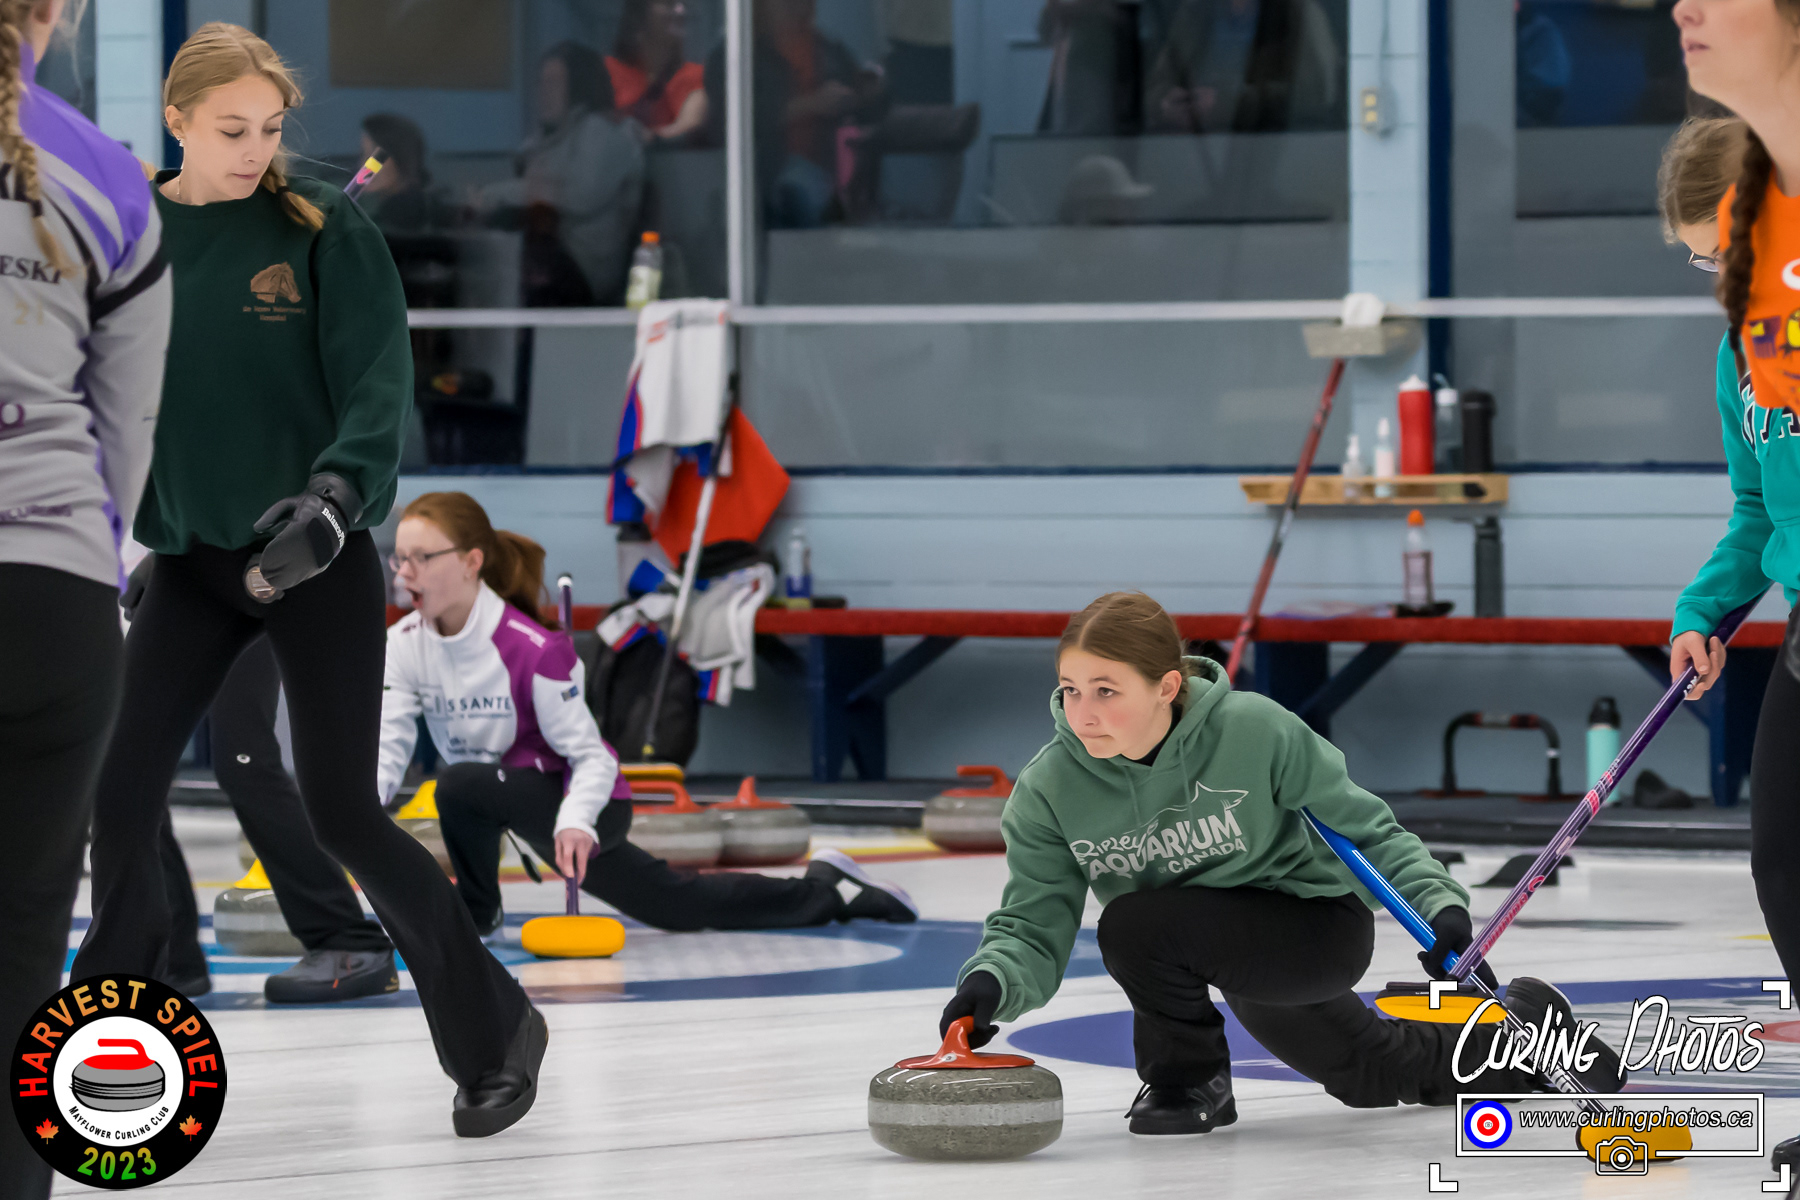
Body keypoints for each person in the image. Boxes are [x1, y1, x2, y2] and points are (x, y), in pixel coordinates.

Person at [70, 23, 544, 1139]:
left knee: (341, 810)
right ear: (178, 121)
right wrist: (138, 532)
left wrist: (337, 500)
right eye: (231, 130)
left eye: (271, 129)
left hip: (311, 554)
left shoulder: (326, 226)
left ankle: (493, 1034)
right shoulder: (132, 234)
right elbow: (113, 393)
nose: (254, 150)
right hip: (189, 561)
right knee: (117, 798)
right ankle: (106, 1045)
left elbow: (379, 383)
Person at [939, 592, 1624, 1134]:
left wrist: (1438, 907)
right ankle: (1530, 1034)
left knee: (1134, 925)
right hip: (1220, 952)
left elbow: (1367, 830)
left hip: (1310, 928)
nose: (1083, 712)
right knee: (1368, 1073)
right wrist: (992, 984)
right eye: (1070, 689)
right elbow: (1034, 919)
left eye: (1106, 690)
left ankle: (1188, 1079)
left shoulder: (1254, 731)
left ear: (1167, 686)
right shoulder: (1048, 790)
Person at [380, 491, 919, 934]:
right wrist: (353, 816)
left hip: (583, 801)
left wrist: (574, 822)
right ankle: (825, 886)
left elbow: (591, 758)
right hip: (502, 795)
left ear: (472, 562)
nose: (404, 573)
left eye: (421, 558)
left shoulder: (535, 650)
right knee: (675, 905)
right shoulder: (403, 643)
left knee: (458, 783)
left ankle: (477, 913)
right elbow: (388, 746)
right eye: (398, 558)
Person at [0, 0, 169, 1191]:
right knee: (20, 955)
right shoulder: (104, 172)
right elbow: (128, 430)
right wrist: (86, 571)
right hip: (52, 600)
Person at [1668, 0, 1800, 1168]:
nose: (1716, 273)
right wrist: (1706, 611)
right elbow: (1759, 509)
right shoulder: (1741, 346)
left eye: (1718, 248)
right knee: (1784, 846)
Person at [480, 41, 644, 305]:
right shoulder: (546, 141)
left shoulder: (599, 132)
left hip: (582, 272)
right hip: (546, 262)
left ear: (579, 86)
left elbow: (581, 195)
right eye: (541, 84)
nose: (544, 93)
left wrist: (496, 194)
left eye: (554, 83)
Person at [704, 0, 886, 229]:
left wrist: (871, 91)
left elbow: (867, 111)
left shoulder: (828, 48)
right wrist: (809, 105)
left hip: (832, 180)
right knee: (801, 189)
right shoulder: (733, 53)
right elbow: (725, 124)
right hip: (760, 188)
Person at [1146, 0, 1341, 134]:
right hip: (1188, 150)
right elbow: (1156, 89)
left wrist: (1224, 104)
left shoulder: (1297, 12)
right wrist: (1166, 104)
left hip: (1268, 144)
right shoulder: (1196, 11)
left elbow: (1316, 94)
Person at [606, 0, 708, 143]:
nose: (680, 11)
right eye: (668, 3)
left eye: (683, 4)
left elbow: (688, 128)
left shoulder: (694, 76)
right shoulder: (608, 72)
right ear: (639, 13)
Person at [357, 111, 436, 233]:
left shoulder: (407, 218)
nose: (365, 165)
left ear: (401, 158)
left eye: (375, 156)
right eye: (363, 154)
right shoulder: (372, 212)